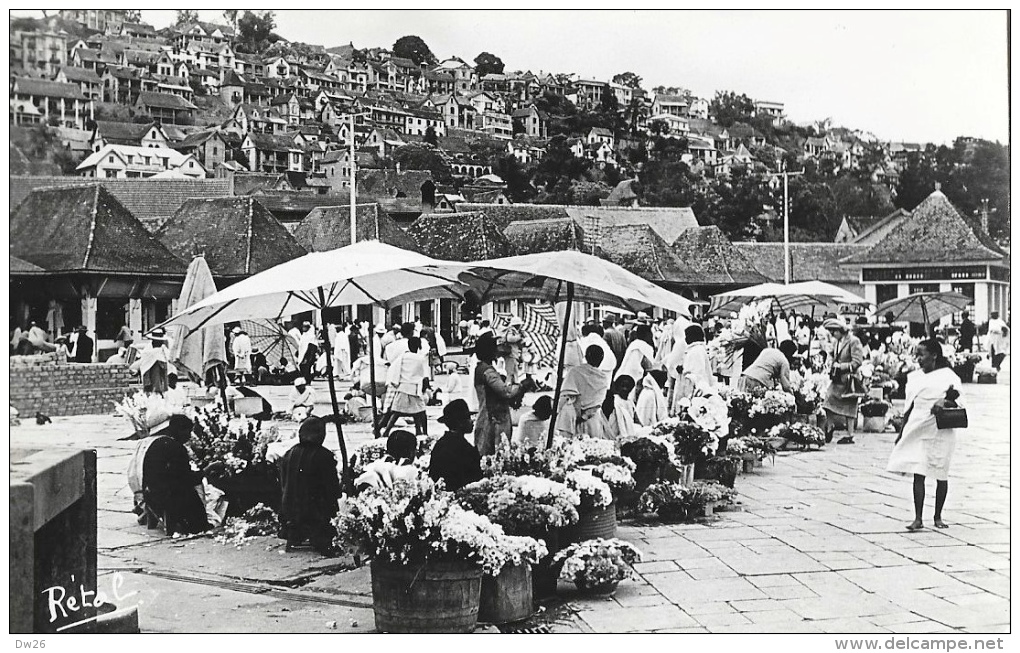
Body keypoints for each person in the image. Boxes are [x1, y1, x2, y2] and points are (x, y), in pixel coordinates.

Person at [886, 339, 963, 531]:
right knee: (918, 472)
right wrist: (902, 431)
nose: (918, 359)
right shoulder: (915, 377)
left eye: (922, 354)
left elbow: (959, 402)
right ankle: (918, 517)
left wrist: (945, 402)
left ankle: (938, 516)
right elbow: (908, 407)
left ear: (934, 355)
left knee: (940, 472)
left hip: (940, 429)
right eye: (916, 354)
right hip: (918, 427)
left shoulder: (948, 376)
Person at [278, 416, 342, 555]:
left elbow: (283, 483)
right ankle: (321, 539)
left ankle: (296, 534)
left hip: (289, 510)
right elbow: (332, 489)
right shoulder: (324, 455)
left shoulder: (289, 453)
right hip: (312, 513)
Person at [141, 415, 210, 536]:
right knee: (194, 503)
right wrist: (206, 471)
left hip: (149, 492)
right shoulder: (176, 448)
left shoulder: (159, 442)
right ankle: (184, 523)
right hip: (164, 496)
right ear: (178, 430)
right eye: (187, 431)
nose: (189, 436)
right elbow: (186, 479)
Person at [473, 332, 533, 455]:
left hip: (493, 417)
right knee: (494, 455)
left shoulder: (483, 368)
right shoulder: (487, 371)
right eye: (495, 347)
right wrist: (521, 386)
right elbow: (506, 392)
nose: (498, 349)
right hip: (492, 420)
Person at [822, 317, 865, 445]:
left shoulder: (854, 341)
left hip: (849, 379)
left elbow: (857, 361)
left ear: (841, 330)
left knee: (850, 406)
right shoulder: (837, 342)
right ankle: (830, 426)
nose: (832, 335)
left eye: (834, 331)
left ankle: (850, 434)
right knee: (827, 400)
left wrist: (841, 366)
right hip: (837, 378)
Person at [556, 345, 611, 438]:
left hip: (571, 419)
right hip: (592, 421)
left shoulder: (574, 371)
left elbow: (565, 397)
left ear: (585, 356)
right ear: (602, 358)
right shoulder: (603, 377)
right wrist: (584, 415)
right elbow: (598, 403)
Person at [429, 399, 483, 491]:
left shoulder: (440, 444)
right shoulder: (466, 449)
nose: (472, 421)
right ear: (460, 423)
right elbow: (476, 479)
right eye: (468, 418)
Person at [382, 337, 429, 437]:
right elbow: (424, 375)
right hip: (414, 388)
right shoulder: (420, 359)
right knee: (421, 412)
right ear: (418, 346)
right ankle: (423, 432)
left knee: (396, 412)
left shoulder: (402, 357)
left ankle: (387, 431)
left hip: (403, 387)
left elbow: (393, 369)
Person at [354, 430, 420, 491]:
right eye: (415, 449)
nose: (416, 452)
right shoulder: (408, 470)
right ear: (408, 453)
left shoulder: (376, 464)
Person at [675, 324, 715, 406]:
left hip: (696, 391)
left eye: (687, 336)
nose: (685, 339)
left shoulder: (696, 351)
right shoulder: (696, 349)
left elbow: (696, 374)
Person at [595, 375, 638, 440]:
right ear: (617, 386)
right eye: (622, 386)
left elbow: (635, 418)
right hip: (614, 432)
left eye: (628, 387)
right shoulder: (614, 400)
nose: (625, 389)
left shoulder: (630, 402)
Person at [615, 324, 657, 390]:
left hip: (622, 376)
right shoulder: (645, 347)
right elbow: (649, 366)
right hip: (636, 379)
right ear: (647, 334)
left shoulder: (633, 344)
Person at [130, 329, 170, 394]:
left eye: (160, 340)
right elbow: (144, 360)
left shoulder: (163, 349)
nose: (159, 342)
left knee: (160, 390)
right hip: (151, 373)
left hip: (161, 373)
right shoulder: (148, 349)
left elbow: (168, 360)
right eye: (157, 340)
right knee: (152, 390)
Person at [502, 316, 527, 382]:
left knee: (514, 371)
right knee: (510, 372)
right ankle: (509, 386)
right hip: (510, 354)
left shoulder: (515, 331)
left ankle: (514, 385)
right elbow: (510, 339)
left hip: (514, 353)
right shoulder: (511, 330)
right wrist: (519, 336)